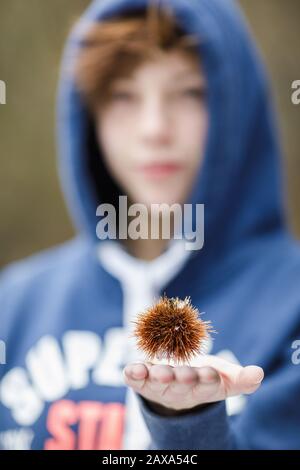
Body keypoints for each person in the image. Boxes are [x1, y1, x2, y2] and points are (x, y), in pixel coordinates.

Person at [0, 0, 300, 450]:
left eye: (190, 92)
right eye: (123, 95)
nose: (155, 128)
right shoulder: (16, 304)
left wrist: (189, 425)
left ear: (237, 109)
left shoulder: (290, 304)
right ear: (87, 115)